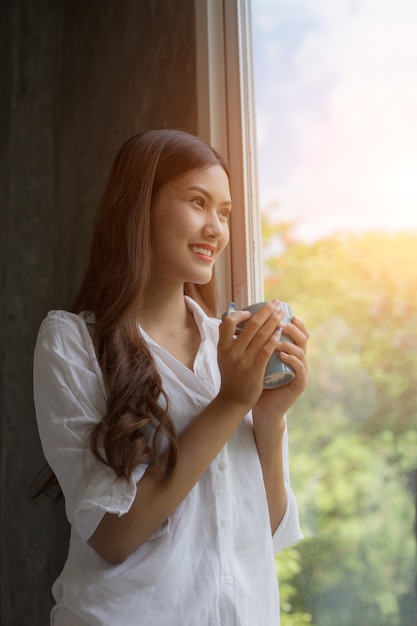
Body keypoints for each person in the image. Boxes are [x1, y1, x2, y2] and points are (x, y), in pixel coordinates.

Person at [33, 129, 309, 626]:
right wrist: (229, 402)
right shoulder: (72, 342)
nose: (216, 229)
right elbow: (113, 534)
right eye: (198, 202)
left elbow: (260, 530)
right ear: (140, 208)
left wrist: (268, 419)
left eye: (224, 212)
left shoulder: (230, 348)